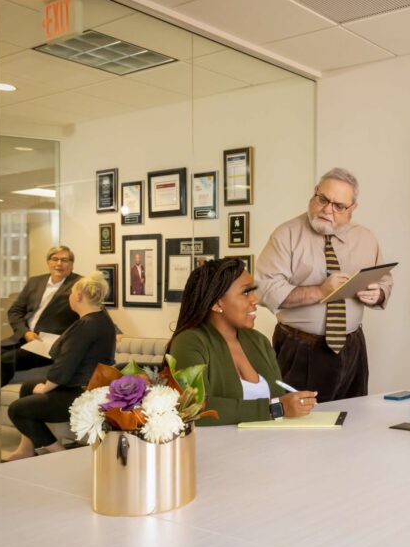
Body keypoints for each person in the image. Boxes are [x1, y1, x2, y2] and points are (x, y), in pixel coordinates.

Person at [256, 167, 393, 403]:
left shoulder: (366, 238)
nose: (327, 210)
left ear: (353, 209)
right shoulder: (286, 235)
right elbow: (263, 289)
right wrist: (319, 292)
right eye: (323, 200)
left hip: (353, 348)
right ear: (314, 193)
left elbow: (384, 279)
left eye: (338, 206)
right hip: (300, 348)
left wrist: (378, 294)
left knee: (355, 420)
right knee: (300, 430)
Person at [168, 258, 317, 426]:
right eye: (246, 292)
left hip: (273, 444)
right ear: (217, 303)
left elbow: (278, 396)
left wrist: (293, 404)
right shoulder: (189, 342)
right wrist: (275, 409)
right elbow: (194, 408)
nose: (254, 300)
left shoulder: (259, 341)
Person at [0, 246, 81, 420]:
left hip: (46, 345)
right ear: (48, 262)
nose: (59, 263)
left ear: (72, 264)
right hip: (22, 338)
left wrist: (115, 331)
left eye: (65, 260)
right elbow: (15, 311)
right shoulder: (36, 282)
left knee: (3, 362)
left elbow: (93, 310)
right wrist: (25, 332)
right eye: (54, 258)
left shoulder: (79, 284)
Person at [3, 272, 117, 461]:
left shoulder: (87, 325)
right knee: (27, 387)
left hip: (81, 393)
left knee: (17, 409)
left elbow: (66, 363)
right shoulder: (101, 320)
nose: (69, 297)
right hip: (89, 386)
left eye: (71, 293)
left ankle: (60, 455)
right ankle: (25, 448)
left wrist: (47, 387)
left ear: (79, 296)